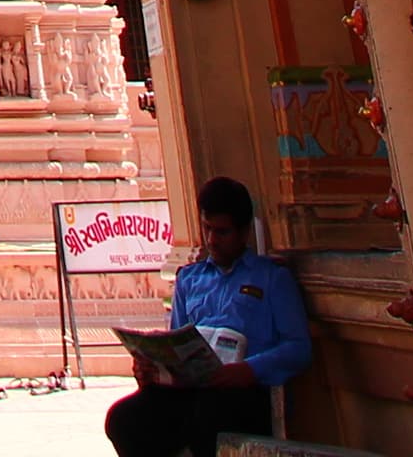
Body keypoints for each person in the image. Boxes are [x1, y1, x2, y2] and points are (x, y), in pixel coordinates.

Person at [105, 175, 312, 457]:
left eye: (222, 232)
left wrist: (249, 369)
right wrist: (152, 370)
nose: (212, 240)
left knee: (207, 417)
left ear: (243, 232)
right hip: (189, 390)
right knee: (124, 419)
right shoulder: (189, 279)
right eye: (207, 229)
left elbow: (298, 347)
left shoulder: (272, 278)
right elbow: (175, 342)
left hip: (244, 391)